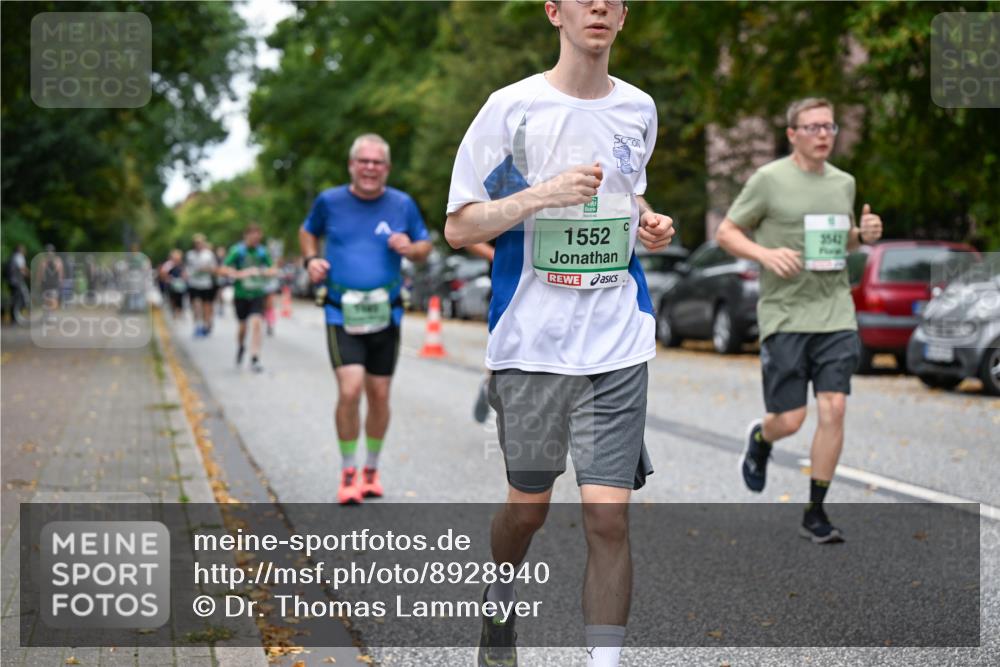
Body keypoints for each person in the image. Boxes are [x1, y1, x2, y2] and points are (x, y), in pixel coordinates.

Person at [444, 2, 674, 665]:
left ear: (624, 16)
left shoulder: (638, 109)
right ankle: (499, 595)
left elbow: (627, 194)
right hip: (532, 345)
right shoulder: (512, 110)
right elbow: (459, 225)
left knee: (608, 516)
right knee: (528, 510)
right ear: (554, 11)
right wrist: (541, 195)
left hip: (616, 341)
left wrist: (650, 221)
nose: (597, 6)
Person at [715, 97, 883, 544]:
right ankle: (762, 439)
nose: (824, 134)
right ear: (792, 134)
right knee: (790, 419)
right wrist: (765, 254)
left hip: (834, 311)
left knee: (834, 407)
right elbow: (726, 232)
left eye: (829, 126)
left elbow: (838, 241)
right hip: (786, 313)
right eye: (813, 127)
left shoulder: (844, 183)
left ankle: (815, 512)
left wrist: (861, 235)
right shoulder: (769, 180)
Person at [300, 133, 432, 505]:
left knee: (379, 394)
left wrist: (411, 248)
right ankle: (348, 471)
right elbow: (307, 231)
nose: (370, 168)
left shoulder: (402, 204)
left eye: (377, 162)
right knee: (350, 389)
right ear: (352, 165)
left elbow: (425, 246)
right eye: (364, 161)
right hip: (341, 310)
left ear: (386, 168)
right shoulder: (329, 201)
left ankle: (371, 469)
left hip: (386, 311)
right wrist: (311, 260)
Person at [223, 225, 278, 373]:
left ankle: (255, 358)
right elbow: (224, 268)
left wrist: (260, 271)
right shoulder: (237, 251)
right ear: (246, 236)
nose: (256, 240)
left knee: (257, 323)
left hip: (257, 293)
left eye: (258, 238)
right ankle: (241, 346)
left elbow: (273, 270)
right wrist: (240, 274)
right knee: (242, 327)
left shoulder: (262, 252)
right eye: (253, 237)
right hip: (241, 294)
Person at [185, 234, 218, 337]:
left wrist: (205, 269)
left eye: (200, 243)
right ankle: (197, 325)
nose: (198, 245)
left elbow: (214, 269)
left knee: (206, 306)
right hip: (194, 283)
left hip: (205, 284)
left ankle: (206, 324)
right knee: (196, 305)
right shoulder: (190, 254)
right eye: (196, 243)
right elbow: (187, 268)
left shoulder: (208, 254)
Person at [159, 249, 187, 319]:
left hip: (180, 285)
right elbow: (163, 273)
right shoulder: (168, 264)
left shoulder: (181, 265)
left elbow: (184, 274)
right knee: (172, 299)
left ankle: (179, 313)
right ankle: (174, 312)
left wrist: (183, 278)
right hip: (171, 285)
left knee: (180, 299)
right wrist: (168, 278)